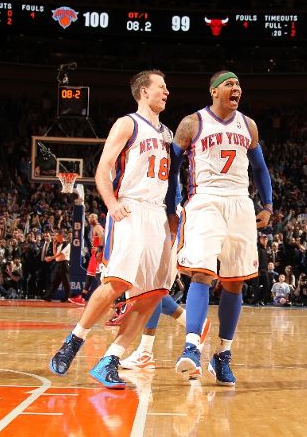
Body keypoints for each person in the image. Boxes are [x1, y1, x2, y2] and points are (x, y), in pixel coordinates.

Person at [49, 69, 178, 389]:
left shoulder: (168, 133)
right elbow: (103, 169)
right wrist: (111, 203)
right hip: (131, 207)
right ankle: (74, 341)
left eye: (166, 88)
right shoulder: (128, 124)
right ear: (143, 92)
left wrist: (173, 216)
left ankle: (111, 358)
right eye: (161, 87)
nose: (166, 92)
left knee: (155, 292)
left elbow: (171, 180)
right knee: (118, 281)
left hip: (158, 214)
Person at [169, 71, 273, 386]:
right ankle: (191, 346)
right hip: (205, 201)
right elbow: (172, 167)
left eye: (239, 84)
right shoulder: (192, 123)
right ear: (214, 90)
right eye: (230, 84)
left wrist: (267, 206)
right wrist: (172, 204)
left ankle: (223, 355)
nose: (236, 88)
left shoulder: (249, 125)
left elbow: (260, 168)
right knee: (202, 273)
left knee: (235, 283)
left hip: (241, 203)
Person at [69, 213, 105, 306]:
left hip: (98, 255)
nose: (90, 219)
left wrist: (99, 249)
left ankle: (102, 299)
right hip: (94, 254)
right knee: (89, 275)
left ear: (96, 219)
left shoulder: (98, 227)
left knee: (99, 276)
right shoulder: (93, 228)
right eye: (89, 217)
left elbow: (103, 237)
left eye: (92, 217)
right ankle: (82, 297)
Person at [42, 231, 71, 302]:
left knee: (66, 281)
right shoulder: (59, 244)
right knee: (55, 281)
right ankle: (48, 296)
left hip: (64, 263)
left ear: (61, 236)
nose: (55, 237)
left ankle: (68, 297)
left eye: (57, 236)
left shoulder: (66, 243)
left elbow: (61, 254)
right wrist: (54, 246)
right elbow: (55, 254)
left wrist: (50, 258)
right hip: (58, 263)